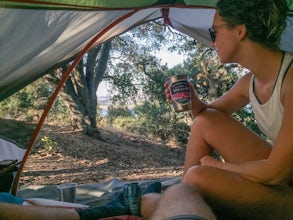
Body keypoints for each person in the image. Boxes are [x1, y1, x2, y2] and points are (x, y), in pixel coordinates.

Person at [162, 0, 293, 219]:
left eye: (215, 33)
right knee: (206, 120)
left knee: (198, 178)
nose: (213, 43)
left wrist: (219, 167)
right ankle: (184, 197)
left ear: (240, 30)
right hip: (287, 177)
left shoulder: (291, 80)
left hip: (281, 176)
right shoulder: (249, 82)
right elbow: (207, 117)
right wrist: (194, 103)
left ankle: (183, 198)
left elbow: (275, 172)